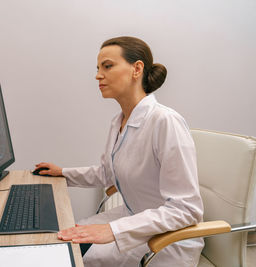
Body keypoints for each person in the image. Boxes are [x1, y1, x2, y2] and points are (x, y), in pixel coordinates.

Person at [34, 36, 204, 266]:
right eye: (98, 68)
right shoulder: (119, 122)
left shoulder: (165, 122)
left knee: (73, 258)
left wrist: (114, 230)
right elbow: (107, 173)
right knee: (67, 240)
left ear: (137, 69)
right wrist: (62, 173)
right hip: (133, 217)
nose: (98, 75)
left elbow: (187, 210)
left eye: (108, 66)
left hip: (166, 241)